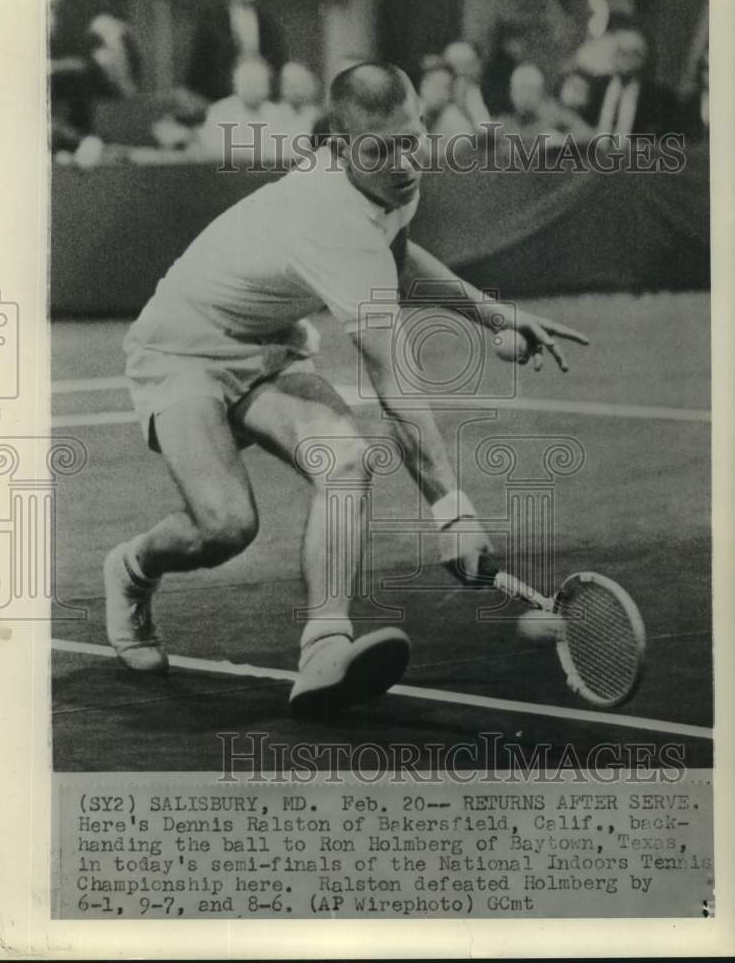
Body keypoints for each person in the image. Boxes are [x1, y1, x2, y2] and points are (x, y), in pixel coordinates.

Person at [106, 63, 589, 717]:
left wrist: (495, 314)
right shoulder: (327, 219)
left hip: (267, 344)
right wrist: (453, 514)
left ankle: (324, 651)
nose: (400, 162)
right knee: (226, 526)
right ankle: (131, 569)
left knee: (348, 461)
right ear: (338, 147)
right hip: (181, 349)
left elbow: (394, 255)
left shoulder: (396, 179)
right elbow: (394, 381)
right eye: (377, 149)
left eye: (409, 140)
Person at [185, 0, 287, 104]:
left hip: (259, 95)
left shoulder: (267, 20)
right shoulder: (212, 18)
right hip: (219, 95)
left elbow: (278, 60)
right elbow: (199, 60)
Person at [592, 26, 678, 139]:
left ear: (643, 58)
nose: (625, 59)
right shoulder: (596, 86)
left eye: (633, 54)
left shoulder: (660, 97)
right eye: (620, 52)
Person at [193, 58, 283, 163]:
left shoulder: (277, 113)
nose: (253, 89)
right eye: (247, 83)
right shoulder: (220, 111)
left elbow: (283, 151)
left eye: (258, 84)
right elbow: (212, 149)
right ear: (236, 86)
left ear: (268, 87)